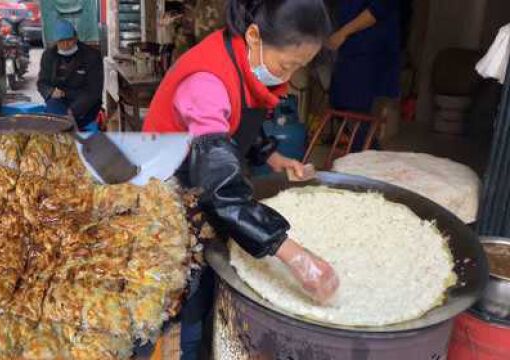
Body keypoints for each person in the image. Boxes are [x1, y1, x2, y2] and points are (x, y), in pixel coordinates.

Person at [143, 0, 338, 358]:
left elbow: (238, 119)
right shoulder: (207, 83)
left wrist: (270, 155)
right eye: (286, 64)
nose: (287, 76)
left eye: (299, 68)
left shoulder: (242, 57)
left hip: (197, 177)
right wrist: (293, 255)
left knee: (203, 286)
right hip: (165, 191)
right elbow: (221, 192)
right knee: (176, 296)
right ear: (254, 35)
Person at [327, 0, 401, 151]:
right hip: (349, 51)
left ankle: (366, 161)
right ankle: (360, 155)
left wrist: (342, 33)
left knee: (359, 114)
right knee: (342, 105)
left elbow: (377, 10)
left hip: (370, 53)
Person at [37, 20, 103, 130]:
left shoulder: (91, 56)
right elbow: (42, 83)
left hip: (85, 103)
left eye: (69, 40)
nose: (66, 45)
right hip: (59, 102)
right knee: (55, 116)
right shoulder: (48, 56)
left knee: (67, 124)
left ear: (76, 38)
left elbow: (94, 91)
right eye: (61, 41)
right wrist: (51, 91)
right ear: (56, 41)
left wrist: (73, 111)